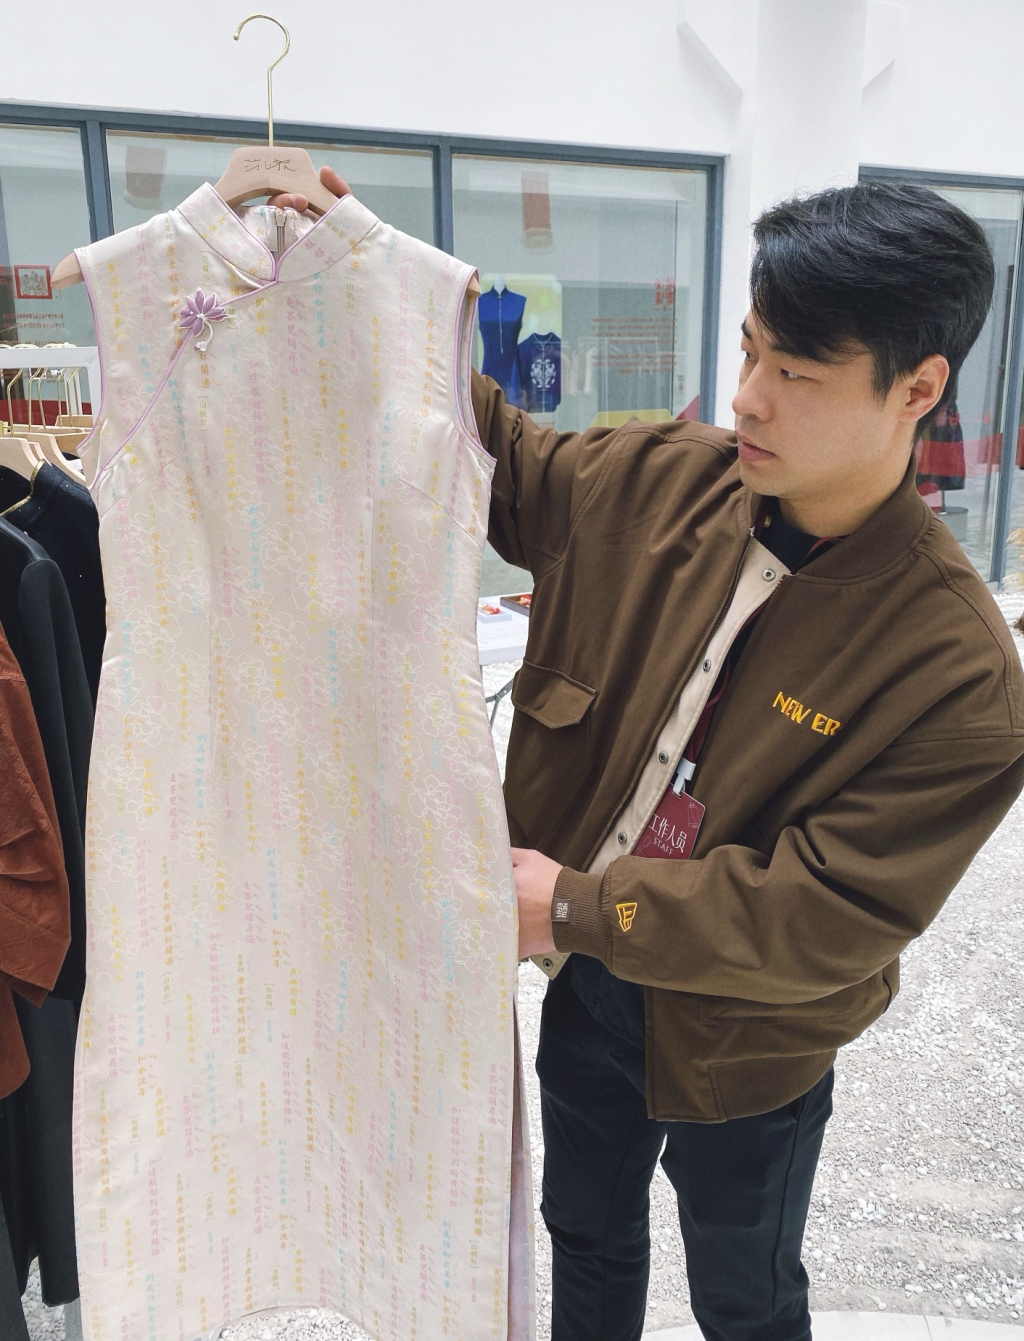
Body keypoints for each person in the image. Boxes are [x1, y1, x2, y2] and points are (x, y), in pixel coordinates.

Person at [274, 172, 1024, 1341]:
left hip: (750, 1040)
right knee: (584, 1233)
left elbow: (827, 914)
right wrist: (366, 277)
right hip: (589, 982)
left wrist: (575, 908)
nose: (748, 397)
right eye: (750, 350)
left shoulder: (957, 670)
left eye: (796, 373)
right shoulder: (663, 480)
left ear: (916, 389)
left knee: (744, 1290)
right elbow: (496, 456)